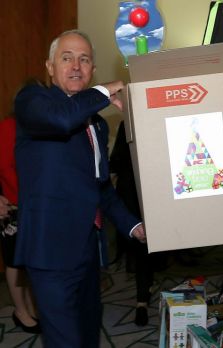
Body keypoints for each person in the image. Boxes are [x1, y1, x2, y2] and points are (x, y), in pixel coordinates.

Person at [13, 29, 146, 347]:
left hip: (88, 251)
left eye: (84, 59)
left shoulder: (97, 124)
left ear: (93, 70)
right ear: (49, 66)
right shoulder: (33, 101)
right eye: (67, 58)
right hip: (50, 252)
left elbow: (101, 188)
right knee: (65, 341)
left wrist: (134, 226)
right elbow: (61, 120)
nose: (76, 66)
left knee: (88, 334)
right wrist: (106, 90)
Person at [110, 120, 165, 326]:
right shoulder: (131, 122)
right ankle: (143, 297)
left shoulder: (130, 122)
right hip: (145, 190)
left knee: (143, 247)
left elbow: (115, 162)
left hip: (136, 191)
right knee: (146, 246)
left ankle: (142, 299)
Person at [0, 111, 41, 334]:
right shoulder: (8, 127)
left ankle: (29, 307)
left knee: (29, 261)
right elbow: (5, 168)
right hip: (13, 206)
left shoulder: (39, 126)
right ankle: (20, 311)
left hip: (34, 206)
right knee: (14, 261)